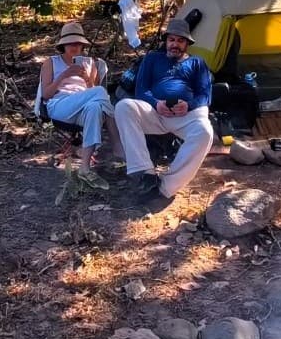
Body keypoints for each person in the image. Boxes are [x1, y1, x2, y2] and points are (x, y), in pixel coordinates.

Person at [114, 18, 215, 203]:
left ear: (187, 44)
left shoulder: (197, 63)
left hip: (186, 115)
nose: (175, 44)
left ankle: (166, 186)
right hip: (155, 113)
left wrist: (189, 105)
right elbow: (141, 90)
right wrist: (156, 103)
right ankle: (146, 173)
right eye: (172, 40)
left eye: (180, 40)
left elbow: (205, 95)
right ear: (166, 41)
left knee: (205, 132)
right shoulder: (152, 58)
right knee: (124, 107)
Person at [36, 21, 110, 170]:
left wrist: (87, 79)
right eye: (69, 43)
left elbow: (92, 92)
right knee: (101, 92)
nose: (74, 46)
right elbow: (46, 95)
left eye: (77, 43)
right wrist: (63, 75)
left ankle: (85, 167)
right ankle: (117, 134)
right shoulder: (51, 62)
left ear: (82, 45)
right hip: (59, 105)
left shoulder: (90, 63)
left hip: (82, 107)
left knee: (95, 107)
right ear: (63, 45)